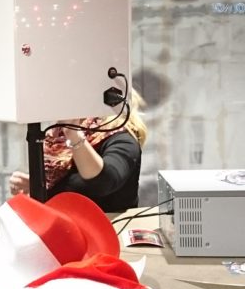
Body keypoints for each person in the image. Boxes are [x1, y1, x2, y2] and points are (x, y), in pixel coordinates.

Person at [9, 89, 148, 212]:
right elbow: (66, 188)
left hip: (109, 235)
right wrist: (38, 187)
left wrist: (73, 134)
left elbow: (104, 182)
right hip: (67, 232)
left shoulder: (123, 139)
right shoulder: (59, 139)